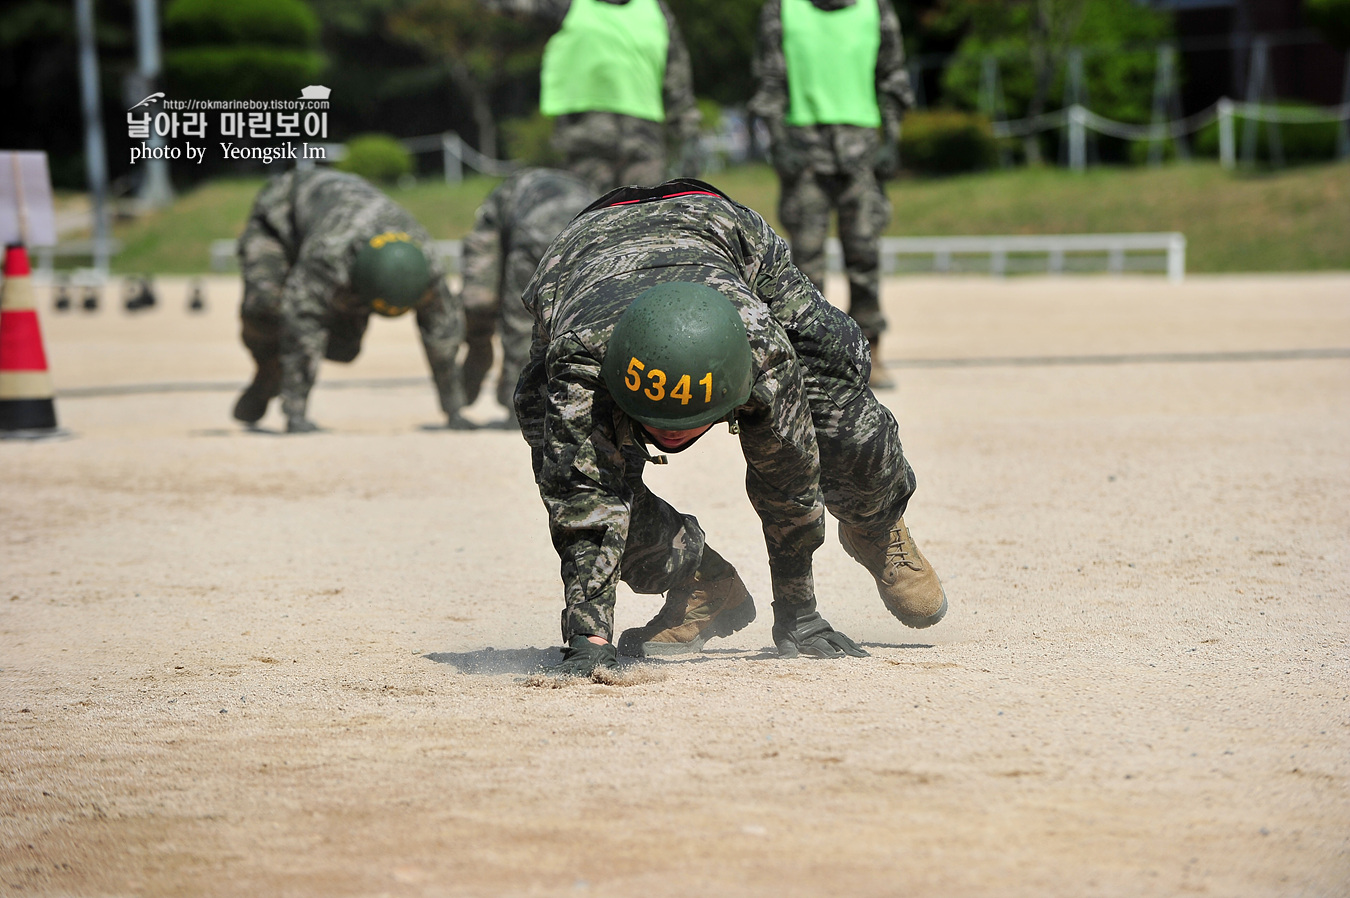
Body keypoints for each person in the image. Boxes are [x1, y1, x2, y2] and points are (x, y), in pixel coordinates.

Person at [514, 179, 946, 677]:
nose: (673, 439)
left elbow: (789, 475)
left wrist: (799, 613)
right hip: (581, 255)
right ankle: (702, 582)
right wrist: (588, 638)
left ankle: (874, 521)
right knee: (556, 448)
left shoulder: (761, 349)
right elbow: (585, 500)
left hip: (717, 227)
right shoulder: (582, 361)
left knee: (833, 377)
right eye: (659, 425)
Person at [747, 0, 913, 390]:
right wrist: (777, 140)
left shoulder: (876, 10)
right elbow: (769, 84)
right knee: (805, 259)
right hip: (805, 150)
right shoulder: (783, 10)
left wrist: (892, 139)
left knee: (864, 252)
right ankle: (810, 358)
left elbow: (893, 79)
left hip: (862, 151)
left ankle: (871, 349)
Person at [233, 168, 466, 432]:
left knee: (343, 348)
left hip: (331, 226)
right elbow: (303, 322)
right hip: (278, 217)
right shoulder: (330, 254)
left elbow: (442, 335)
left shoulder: (425, 265)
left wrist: (454, 411)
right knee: (265, 305)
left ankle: (281, 372)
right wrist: (295, 414)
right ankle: (269, 370)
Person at [483, 0, 701, 193]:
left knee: (647, 222)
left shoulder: (656, 9)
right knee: (588, 224)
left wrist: (688, 133)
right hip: (585, 145)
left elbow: (678, 77)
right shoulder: (567, 3)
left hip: (643, 143)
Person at [460, 168, 598, 425]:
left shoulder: (512, 192)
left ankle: (518, 406)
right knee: (580, 322)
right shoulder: (581, 188)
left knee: (519, 321)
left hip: (539, 238)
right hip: (579, 237)